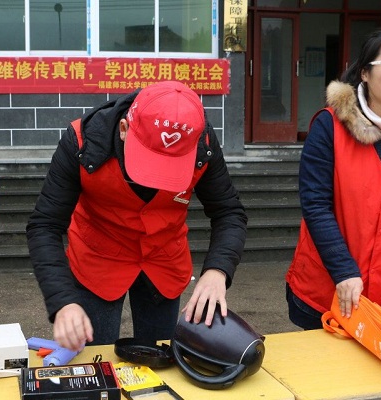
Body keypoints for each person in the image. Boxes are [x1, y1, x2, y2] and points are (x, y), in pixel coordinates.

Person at [26, 80, 248, 351]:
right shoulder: (83, 141)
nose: (157, 179)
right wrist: (62, 300)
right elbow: (45, 225)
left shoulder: (202, 142)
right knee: (97, 359)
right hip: (98, 259)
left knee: (161, 356)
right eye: (151, 160)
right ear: (124, 129)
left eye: (170, 166)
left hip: (164, 260)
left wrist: (218, 270)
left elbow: (229, 212)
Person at [286, 22, 381, 330]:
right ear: (365, 72)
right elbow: (315, 204)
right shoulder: (329, 126)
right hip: (329, 290)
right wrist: (343, 270)